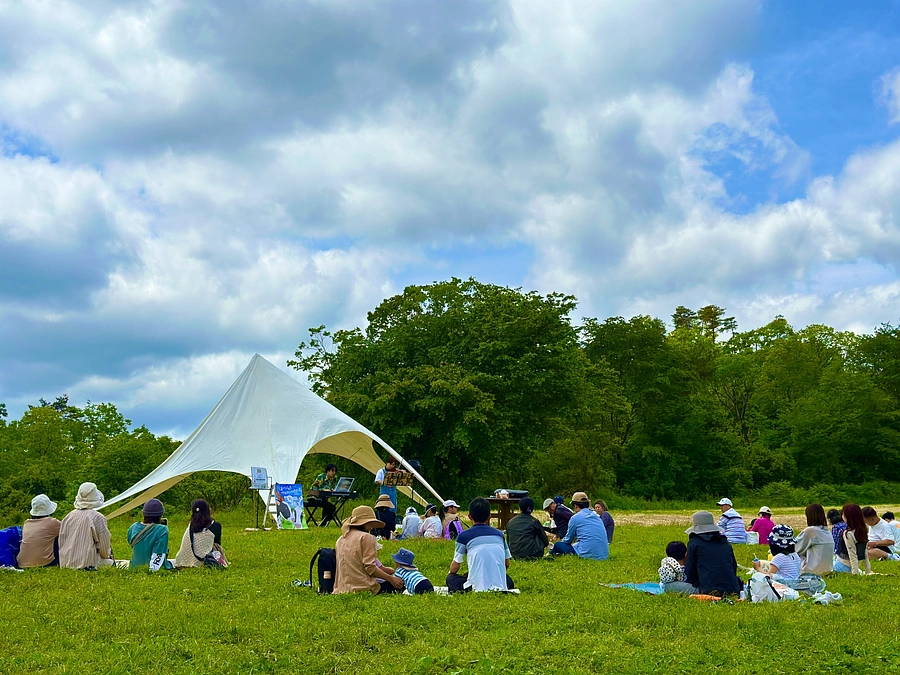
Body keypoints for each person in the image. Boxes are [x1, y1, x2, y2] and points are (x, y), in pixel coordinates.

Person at [447, 497, 514, 593]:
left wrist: (450, 574)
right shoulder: (499, 535)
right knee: (508, 580)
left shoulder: (463, 536)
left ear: (470, 516)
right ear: (489, 516)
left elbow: (455, 566)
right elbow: (506, 563)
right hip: (500, 584)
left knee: (451, 578)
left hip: (476, 586)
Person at [334, 505, 404, 594]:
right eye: (370, 523)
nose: (372, 527)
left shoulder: (340, 539)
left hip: (342, 589)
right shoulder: (366, 537)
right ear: (364, 523)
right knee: (402, 585)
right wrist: (391, 579)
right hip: (364, 587)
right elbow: (370, 568)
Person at [683, 511, 742, 596]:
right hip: (732, 588)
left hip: (707, 589)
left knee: (670, 586)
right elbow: (733, 566)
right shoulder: (725, 543)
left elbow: (690, 571)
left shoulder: (694, 543)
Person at [59, 482, 113, 570]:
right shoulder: (98, 517)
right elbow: (104, 547)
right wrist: (107, 555)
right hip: (87, 565)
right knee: (109, 561)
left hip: (66, 563)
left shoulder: (68, 516)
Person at [550, 492, 609, 560]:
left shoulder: (575, 518)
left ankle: (550, 554)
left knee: (558, 545)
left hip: (587, 554)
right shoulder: (597, 516)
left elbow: (568, 540)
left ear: (575, 506)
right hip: (604, 555)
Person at [174, 499, 225, 568]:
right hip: (202, 562)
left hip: (182, 561)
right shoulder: (215, 526)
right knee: (215, 546)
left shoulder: (191, 525)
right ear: (208, 510)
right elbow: (217, 544)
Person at [127, 499, 172, 571]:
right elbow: (158, 553)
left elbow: (130, 542)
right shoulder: (162, 530)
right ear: (161, 514)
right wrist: (153, 570)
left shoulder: (133, 527)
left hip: (133, 567)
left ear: (143, 513)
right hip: (153, 567)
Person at [17, 494, 61, 568]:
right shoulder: (52, 522)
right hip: (45, 563)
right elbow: (66, 532)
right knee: (58, 537)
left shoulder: (27, 523)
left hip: (22, 564)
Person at [794, 503, 833, 575]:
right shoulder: (828, 532)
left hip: (812, 571)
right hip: (828, 570)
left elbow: (794, 548)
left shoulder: (811, 531)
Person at [834, 503, 871, 575]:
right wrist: (868, 570)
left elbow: (852, 554)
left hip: (843, 565)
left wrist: (854, 573)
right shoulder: (863, 530)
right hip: (852, 565)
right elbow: (865, 552)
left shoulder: (848, 533)